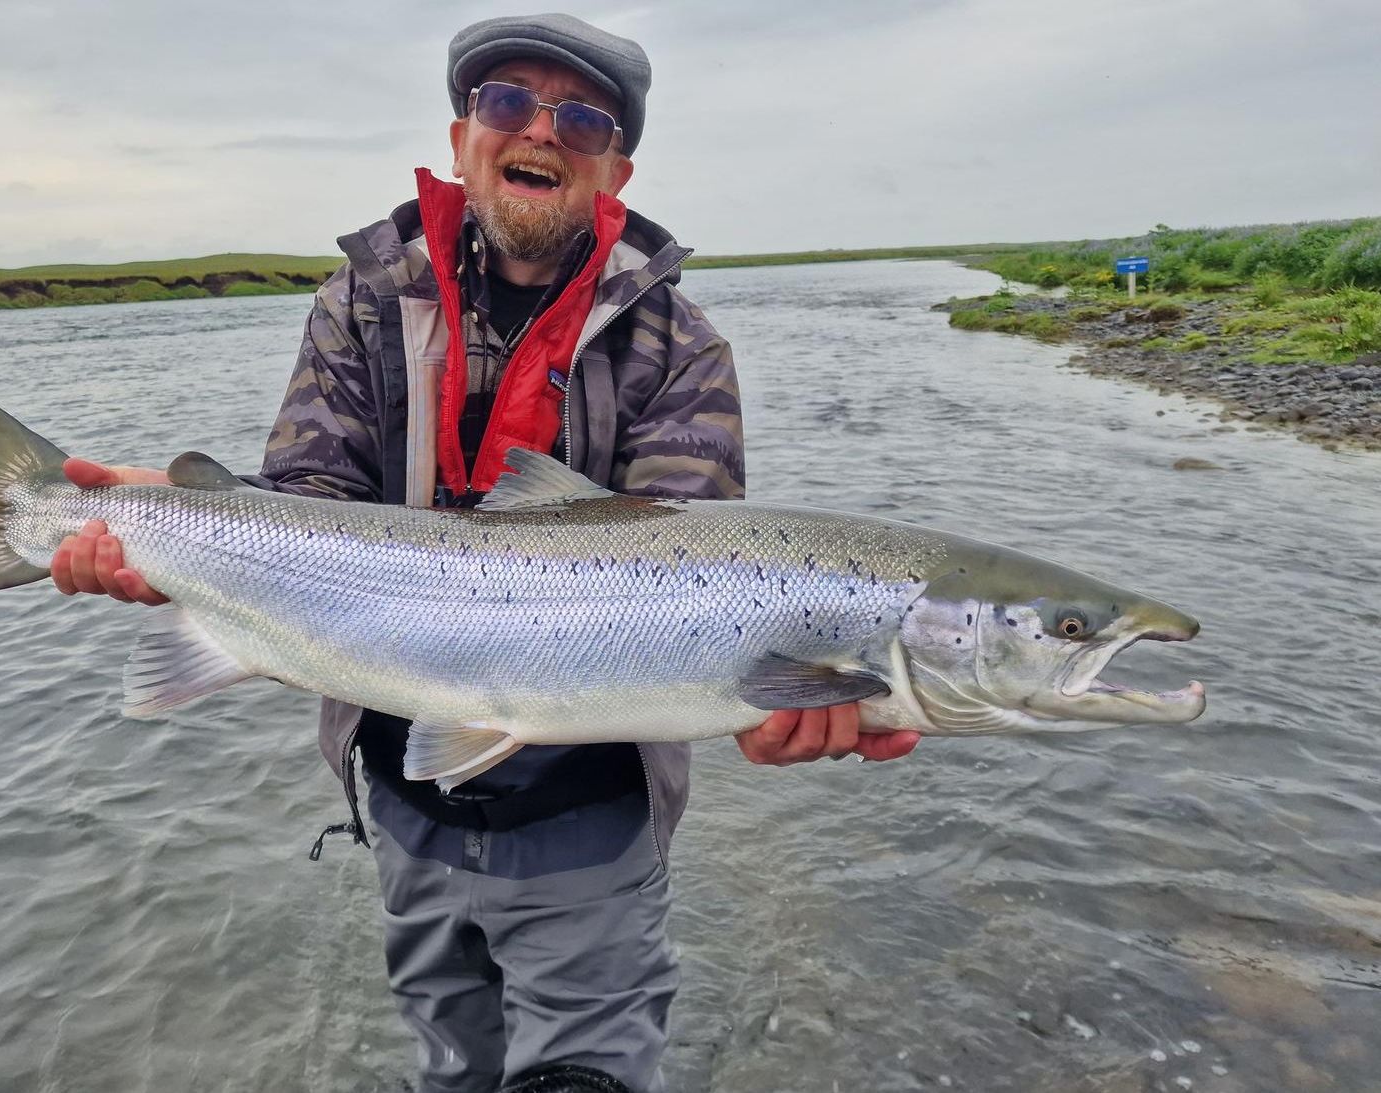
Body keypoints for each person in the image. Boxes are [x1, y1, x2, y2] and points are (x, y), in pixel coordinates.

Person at [48, 14, 919, 1092]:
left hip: (588, 814)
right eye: (508, 102)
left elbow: (685, 555)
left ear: (614, 169)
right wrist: (171, 537)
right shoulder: (361, 303)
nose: (540, 131)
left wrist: (777, 698)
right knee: (448, 1060)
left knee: (585, 1070)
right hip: (403, 788)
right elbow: (304, 501)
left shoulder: (679, 348)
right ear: (464, 137)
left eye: (582, 118)